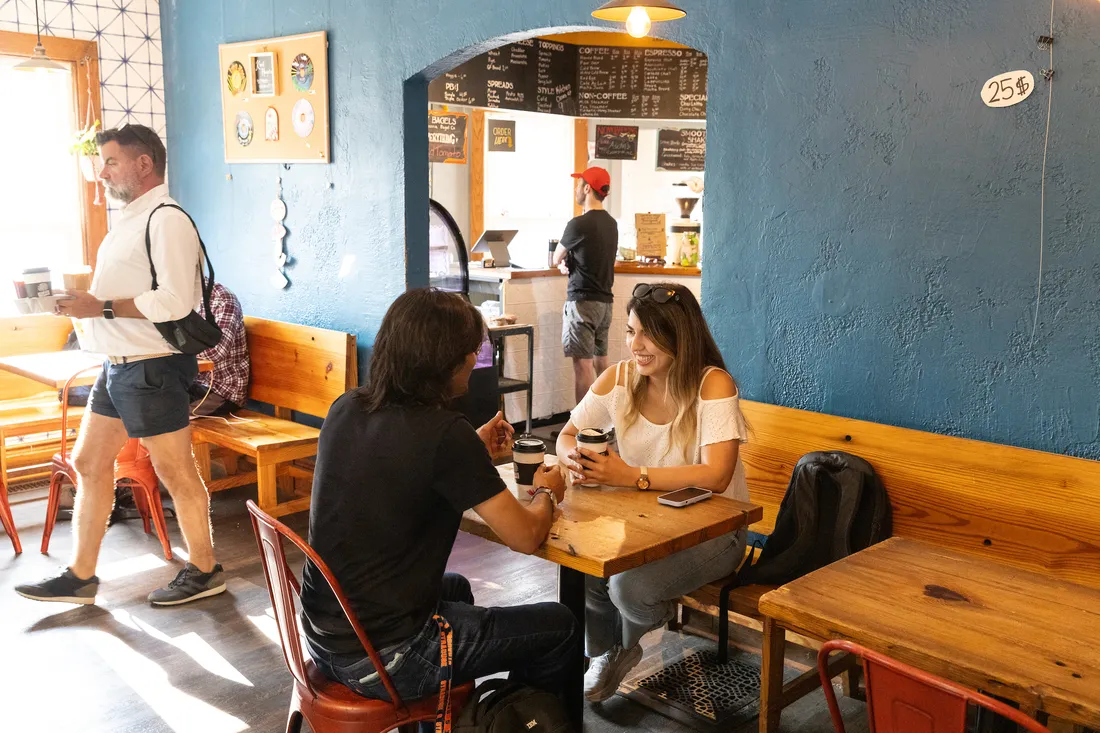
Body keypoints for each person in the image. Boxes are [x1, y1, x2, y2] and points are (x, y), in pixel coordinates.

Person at [301, 288, 579, 714]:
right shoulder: (445, 434)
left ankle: (454, 717)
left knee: (457, 588)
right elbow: (524, 536)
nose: (474, 359)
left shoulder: (348, 406)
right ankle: (511, 720)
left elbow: (405, 465)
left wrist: (472, 448)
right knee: (561, 626)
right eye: (472, 352)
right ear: (445, 361)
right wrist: (546, 492)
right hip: (387, 658)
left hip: (326, 635)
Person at [15, 124, 225, 607]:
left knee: (175, 471)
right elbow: (118, 298)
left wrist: (101, 307)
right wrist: (82, 306)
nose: (102, 173)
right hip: (117, 367)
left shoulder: (167, 220)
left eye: (111, 162)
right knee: (89, 463)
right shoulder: (130, 221)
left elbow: (174, 302)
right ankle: (81, 576)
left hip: (152, 368)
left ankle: (206, 569)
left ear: (143, 164)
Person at [555, 282, 749, 702]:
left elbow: (717, 475)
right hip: (647, 524)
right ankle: (603, 654)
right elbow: (566, 436)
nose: (635, 345)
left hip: (717, 533)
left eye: (649, 334)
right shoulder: (620, 378)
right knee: (583, 563)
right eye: (630, 331)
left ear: (681, 336)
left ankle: (626, 642)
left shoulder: (712, 384)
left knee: (628, 588)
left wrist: (630, 476)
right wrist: (576, 459)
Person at [552, 166, 618, 404]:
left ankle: (583, 422)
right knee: (601, 362)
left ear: (588, 188)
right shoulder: (611, 223)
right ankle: (608, 417)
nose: (576, 189)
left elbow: (556, 257)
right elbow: (592, 256)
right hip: (605, 304)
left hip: (582, 304)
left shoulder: (578, 224)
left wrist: (562, 262)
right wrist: (569, 263)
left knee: (583, 367)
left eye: (579, 185)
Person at [189, 282, 250, 416]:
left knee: (160, 410)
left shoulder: (223, 299)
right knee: (146, 397)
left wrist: (173, 350)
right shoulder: (173, 296)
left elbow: (217, 351)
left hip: (220, 391)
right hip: (191, 383)